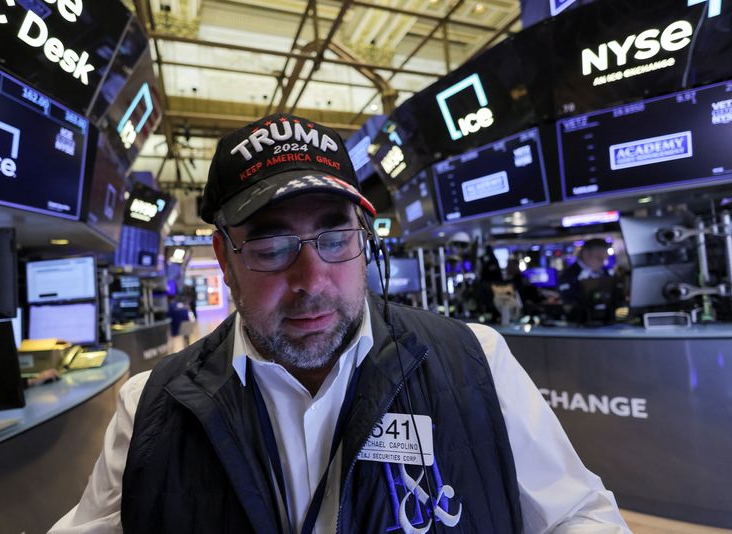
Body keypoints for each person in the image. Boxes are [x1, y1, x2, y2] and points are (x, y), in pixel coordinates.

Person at [50, 113, 630, 533]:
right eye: (273, 245)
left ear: (363, 237)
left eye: (334, 237)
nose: (313, 279)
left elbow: (579, 516)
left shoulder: (476, 362)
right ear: (224, 257)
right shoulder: (150, 408)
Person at [558, 239, 613, 323]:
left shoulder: (604, 272)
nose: (602, 263)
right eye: (599, 258)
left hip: (604, 322)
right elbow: (569, 303)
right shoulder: (568, 275)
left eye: (604, 259)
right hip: (577, 324)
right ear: (586, 254)